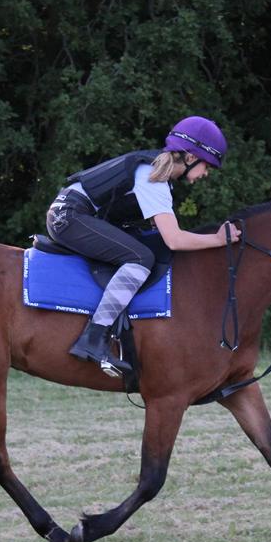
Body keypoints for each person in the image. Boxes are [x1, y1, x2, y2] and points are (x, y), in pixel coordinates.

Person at [45, 116, 242, 376]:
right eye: (208, 165)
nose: (206, 174)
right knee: (140, 258)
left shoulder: (157, 174)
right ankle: (92, 339)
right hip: (68, 216)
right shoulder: (152, 177)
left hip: (77, 215)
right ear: (191, 157)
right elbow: (175, 239)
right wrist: (217, 240)